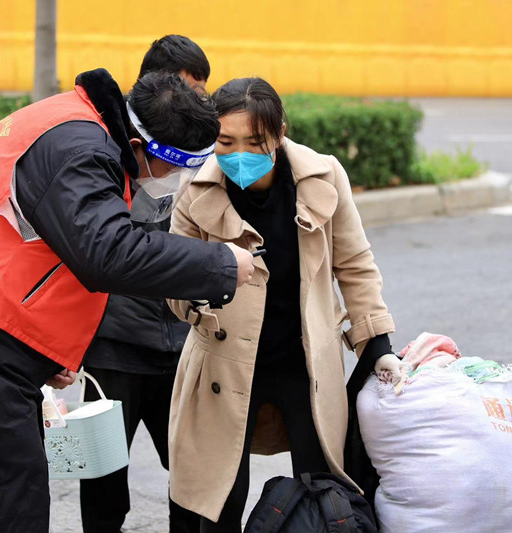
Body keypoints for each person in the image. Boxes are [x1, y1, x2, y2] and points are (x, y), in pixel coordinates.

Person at [0, 68, 255, 533]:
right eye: (175, 168)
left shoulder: (75, 126)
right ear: (139, 147)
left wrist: (45, 352)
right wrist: (219, 263)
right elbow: (105, 252)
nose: (175, 181)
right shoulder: (81, 148)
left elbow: (41, 253)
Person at [165, 77, 405, 532]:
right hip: (224, 363)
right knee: (216, 500)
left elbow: (354, 264)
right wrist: (210, 275)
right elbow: (175, 290)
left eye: (254, 142)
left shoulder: (323, 177)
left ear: (279, 133)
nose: (239, 154)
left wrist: (378, 345)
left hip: (305, 361)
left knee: (321, 495)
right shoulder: (195, 189)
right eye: (225, 141)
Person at [78, 35, 209, 533]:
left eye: (202, 92)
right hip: (114, 344)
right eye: (190, 91)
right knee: (104, 474)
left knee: (191, 471)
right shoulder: (112, 149)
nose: (198, 103)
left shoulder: (200, 143)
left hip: (180, 342)